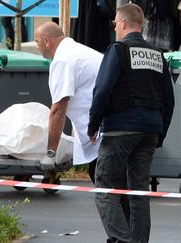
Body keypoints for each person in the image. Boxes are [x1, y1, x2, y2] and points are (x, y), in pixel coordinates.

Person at [87, 3, 175, 243]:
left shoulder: (118, 50)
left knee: (105, 185)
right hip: (149, 131)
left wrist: (93, 125)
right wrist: (160, 135)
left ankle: (122, 240)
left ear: (123, 23)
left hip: (120, 129)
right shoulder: (158, 55)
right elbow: (169, 100)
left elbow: (103, 90)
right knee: (138, 192)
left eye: (115, 23)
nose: (114, 27)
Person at [35, 22, 102, 183]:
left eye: (36, 42)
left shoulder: (62, 61)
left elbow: (58, 110)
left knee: (105, 187)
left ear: (46, 41)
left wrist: (51, 153)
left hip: (101, 133)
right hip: (114, 125)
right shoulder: (80, 51)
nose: (36, 46)